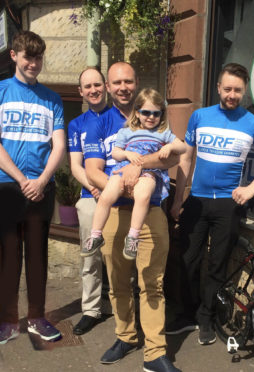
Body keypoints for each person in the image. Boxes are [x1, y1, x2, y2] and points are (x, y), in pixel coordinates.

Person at [84, 62, 181, 372]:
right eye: (116, 82)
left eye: (128, 80)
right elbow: (92, 170)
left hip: (151, 212)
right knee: (118, 282)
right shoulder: (100, 121)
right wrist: (127, 182)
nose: (123, 86)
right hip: (116, 212)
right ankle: (125, 336)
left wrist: (141, 166)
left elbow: (176, 155)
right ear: (109, 87)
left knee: (152, 283)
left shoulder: (157, 119)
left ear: (136, 83)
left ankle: (155, 352)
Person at [169, 63, 254, 345]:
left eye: (237, 90)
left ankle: (206, 318)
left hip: (228, 205)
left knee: (217, 266)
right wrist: (179, 198)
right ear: (218, 87)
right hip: (198, 201)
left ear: (244, 91)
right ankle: (186, 315)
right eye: (227, 89)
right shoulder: (199, 116)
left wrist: (250, 189)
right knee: (187, 261)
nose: (232, 94)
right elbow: (186, 159)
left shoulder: (253, 123)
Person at [0, 31, 65, 343]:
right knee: (8, 256)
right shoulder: (0, 91)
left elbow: (59, 145)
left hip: (42, 188)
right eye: (28, 56)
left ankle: (37, 318)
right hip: (8, 187)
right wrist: (23, 180)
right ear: (14, 55)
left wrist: (40, 180)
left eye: (38, 57)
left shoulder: (52, 99)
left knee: (38, 256)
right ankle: (8, 321)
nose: (33, 63)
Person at [82, 88, 186, 261]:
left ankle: (133, 236)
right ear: (137, 113)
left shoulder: (163, 133)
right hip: (124, 168)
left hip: (149, 172)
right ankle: (95, 234)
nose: (151, 117)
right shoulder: (127, 131)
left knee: (143, 195)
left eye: (156, 113)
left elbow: (182, 148)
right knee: (106, 195)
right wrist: (127, 154)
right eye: (146, 112)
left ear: (161, 114)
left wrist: (169, 146)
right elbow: (116, 152)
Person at [68, 67, 111, 336]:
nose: (93, 90)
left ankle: (123, 307)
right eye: (88, 86)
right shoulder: (77, 125)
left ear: (105, 86)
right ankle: (91, 309)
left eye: (97, 84)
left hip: (121, 199)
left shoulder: (122, 117)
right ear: (81, 92)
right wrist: (95, 189)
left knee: (122, 255)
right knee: (90, 256)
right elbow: (75, 165)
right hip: (90, 198)